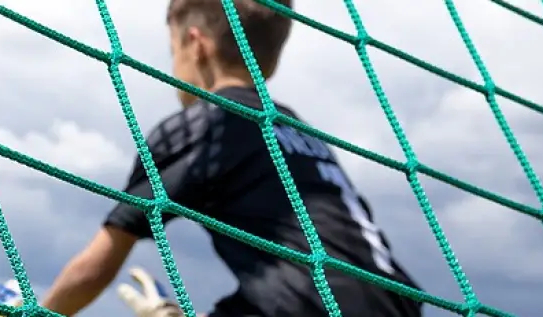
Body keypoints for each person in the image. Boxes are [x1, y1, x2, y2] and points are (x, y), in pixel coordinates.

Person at [33, 0, 425, 316]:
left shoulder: (201, 127)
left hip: (305, 304)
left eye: (173, 53)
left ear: (196, 44)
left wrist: (44, 312)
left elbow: (98, 264)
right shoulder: (297, 128)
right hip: (395, 302)